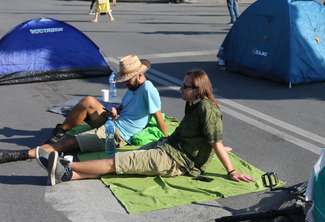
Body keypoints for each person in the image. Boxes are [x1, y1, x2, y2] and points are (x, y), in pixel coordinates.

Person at [45, 69, 255, 186]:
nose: (180, 89)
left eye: (184, 87)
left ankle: (64, 167)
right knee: (125, 163)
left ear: (198, 90)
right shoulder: (194, 104)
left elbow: (214, 140)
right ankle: (68, 175)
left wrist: (232, 170)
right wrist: (215, 148)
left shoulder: (207, 109)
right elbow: (212, 139)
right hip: (168, 146)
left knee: (117, 162)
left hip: (176, 160)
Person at [0, 55, 167, 164]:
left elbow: (158, 117)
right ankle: (61, 130)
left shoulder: (148, 90)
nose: (125, 83)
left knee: (69, 143)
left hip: (118, 134)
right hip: (114, 121)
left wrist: (168, 140)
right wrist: (115, 111)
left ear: (139, 75)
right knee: (88, 101)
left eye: (127, 79)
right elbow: (124, 106)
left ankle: (23, 155)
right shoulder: (133, 88)